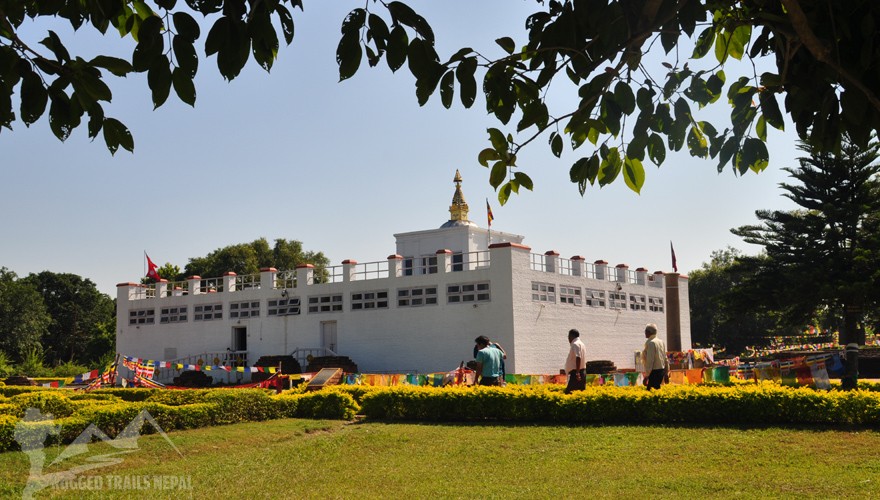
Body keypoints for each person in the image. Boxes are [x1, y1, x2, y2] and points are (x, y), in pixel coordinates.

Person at [642, 323, 668, 390]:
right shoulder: (661, 342)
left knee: (651, 394)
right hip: (661, 371)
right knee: (656, 392)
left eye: (645, 331)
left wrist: (647, 376)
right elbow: (665, 358)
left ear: (649, 332)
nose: (645, 332)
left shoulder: (651, 343)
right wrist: (666, 373)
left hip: (654, 372)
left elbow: (650, 361)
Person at [564, 329, 588, 394]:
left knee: (568, 393)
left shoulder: (575, 344)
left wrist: (577, 373)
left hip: (576, 373)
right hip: (581, 372)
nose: (568, 339)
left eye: (568, 337)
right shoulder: (582, 344)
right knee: (580, 393)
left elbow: (578, 357)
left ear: (571, 336)